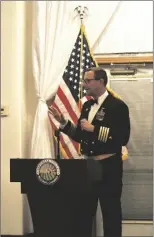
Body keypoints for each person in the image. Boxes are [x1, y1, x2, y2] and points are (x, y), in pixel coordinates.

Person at [48, 67, 130, 237]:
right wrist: (64, 123)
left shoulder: (118, 106)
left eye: (87, 80)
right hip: (88, 166)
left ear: (100, 82)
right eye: (83, 80)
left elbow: (122, 138)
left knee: (110, 211)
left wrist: (95, 129)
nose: (83, 84)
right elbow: (80, 135)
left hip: (109, 166)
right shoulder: (86, 105)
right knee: (84, 211)